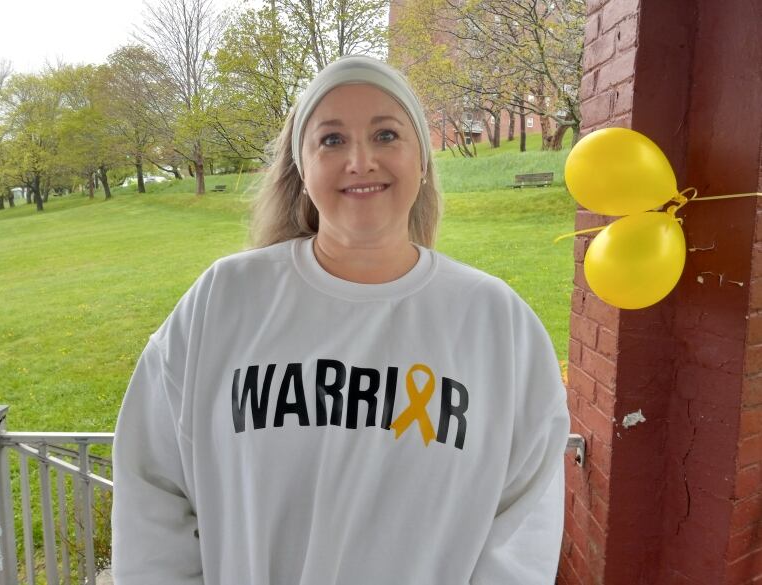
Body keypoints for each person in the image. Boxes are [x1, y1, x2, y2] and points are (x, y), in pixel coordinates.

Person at [111, 54, 570, 585]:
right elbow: (152, 487)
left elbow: (522, 526)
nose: (360, 160)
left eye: (386, 135)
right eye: (331, 140)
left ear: (422, 161)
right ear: (302, 170)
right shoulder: (225, 300)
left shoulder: (497, 324)